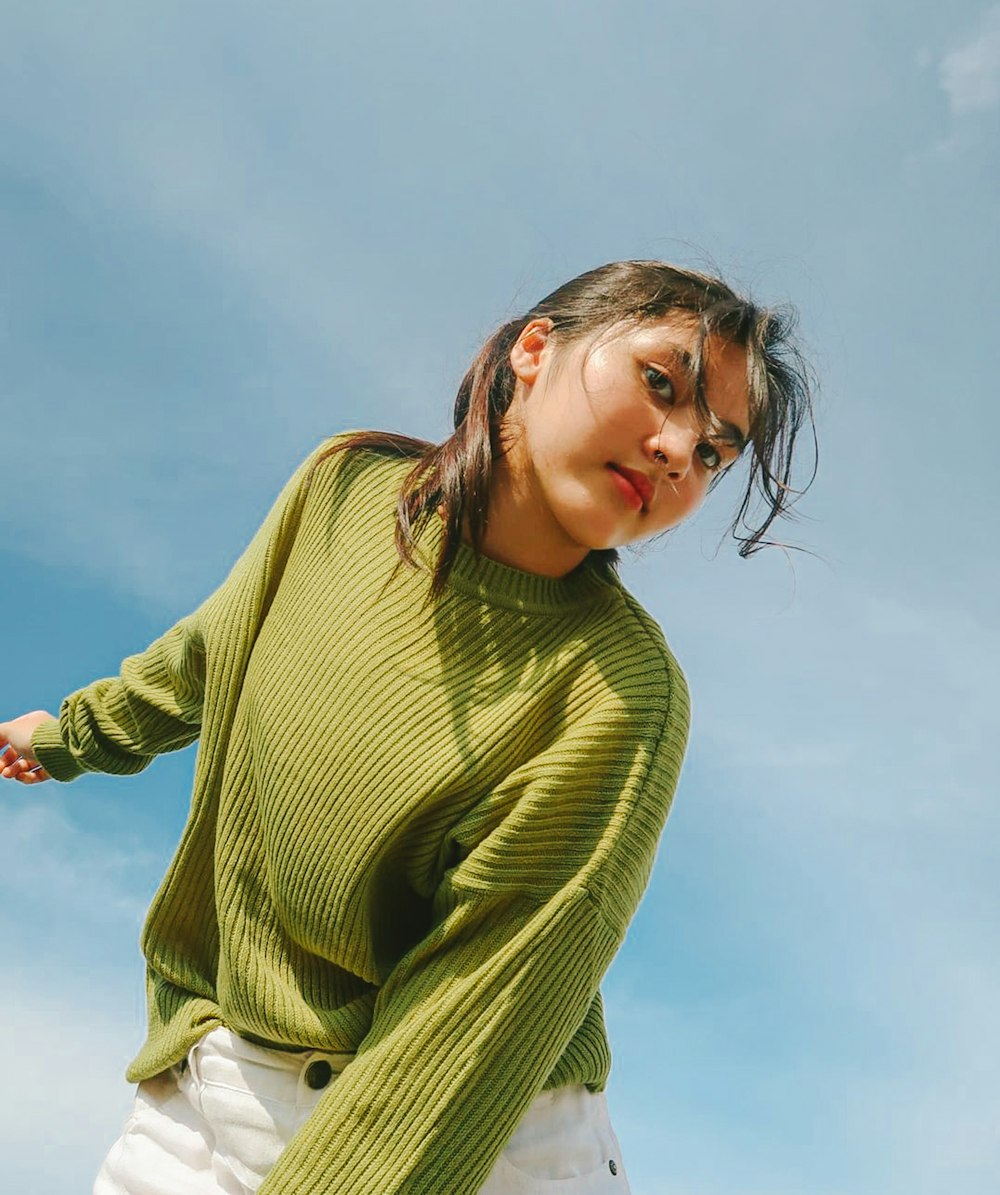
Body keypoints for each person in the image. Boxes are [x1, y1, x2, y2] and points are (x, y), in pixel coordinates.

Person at [0, 259, 816, 1194]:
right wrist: (67, 736)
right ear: (534, 349)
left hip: (478, 1137)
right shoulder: (345, 488)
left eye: (715, 452)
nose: (678, 449)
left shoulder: (621, 696)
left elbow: (470, 1024)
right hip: (210, 1084)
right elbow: (212, 650)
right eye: (660, 383)